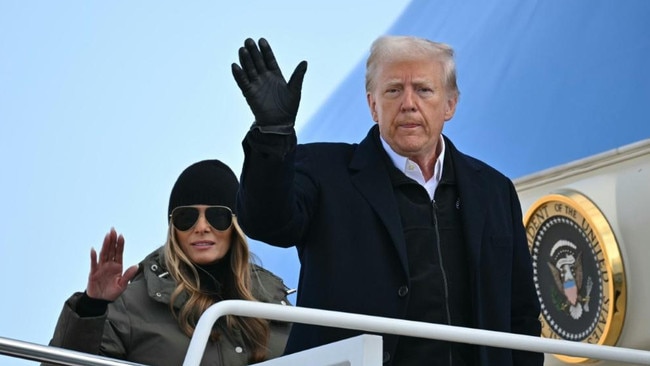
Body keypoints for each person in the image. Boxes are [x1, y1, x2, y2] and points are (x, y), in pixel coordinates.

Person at [231, 36, 543, 365]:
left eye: (423, 89)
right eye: (394, 90)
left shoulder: (494, 191)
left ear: (450, 104)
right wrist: (273, 133)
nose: (408, 103)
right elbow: (266, 221)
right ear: (373, 105)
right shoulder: (324, 173)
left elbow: (520, 315)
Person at [45, 160, 292, 366]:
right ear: (173, 228)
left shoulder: (273, 301)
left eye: (217, 215)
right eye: (187, 217)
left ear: (237, 224)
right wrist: (92, 307)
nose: (202, 227)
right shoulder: (131, 305)